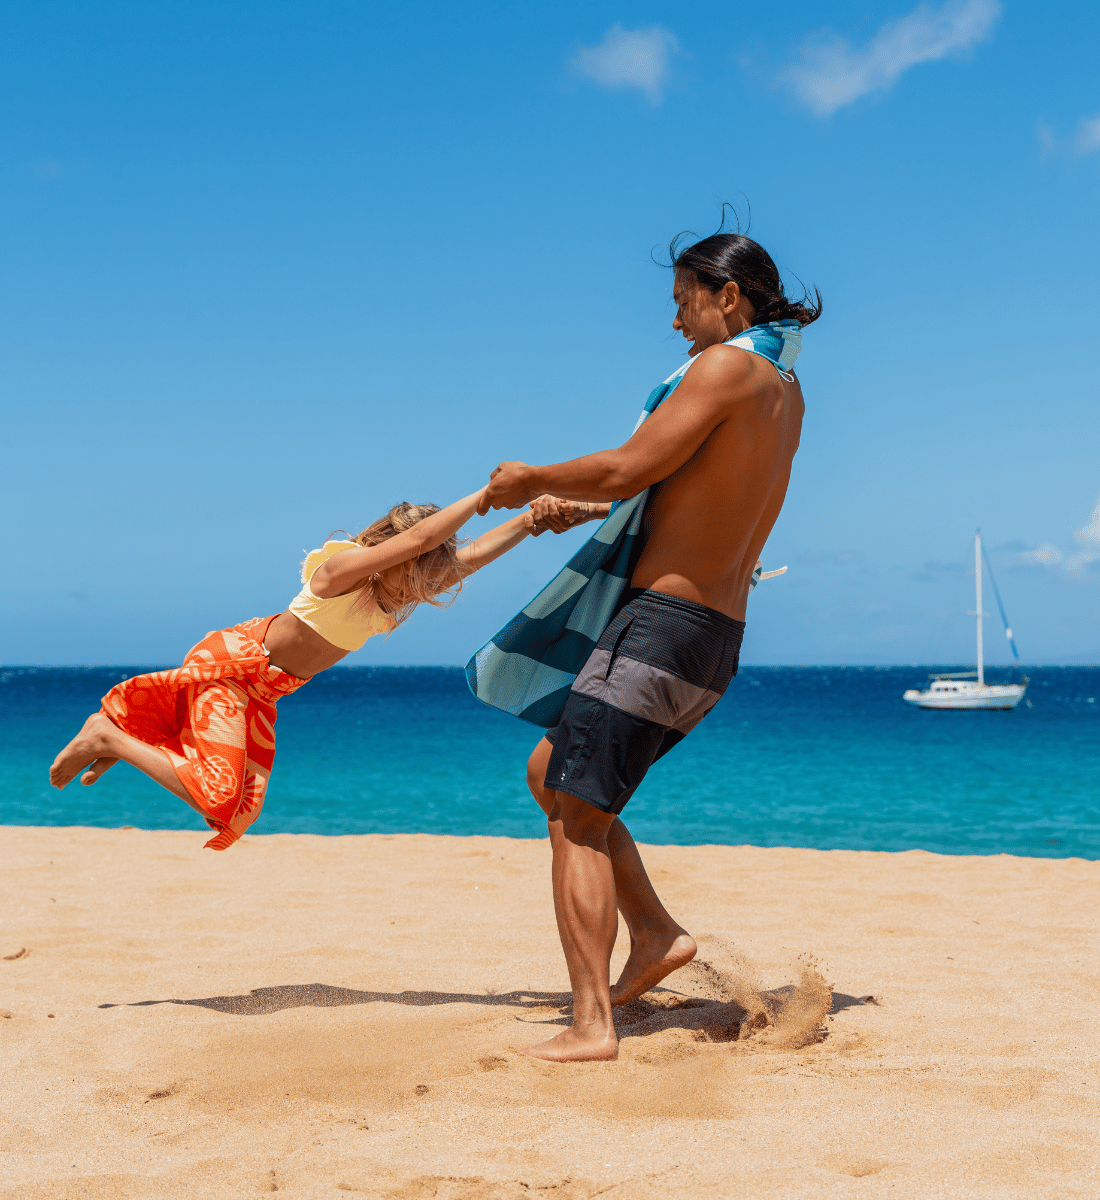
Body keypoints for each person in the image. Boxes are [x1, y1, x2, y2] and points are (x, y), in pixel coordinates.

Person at [478, 230, 821, 1061]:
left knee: (581, 818)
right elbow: (688, 493)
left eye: (682, 303)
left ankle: (593, 1024)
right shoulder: (785, 388)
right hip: (715, 638)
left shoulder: (724, 369)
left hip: (661, 629)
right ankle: (657, 935)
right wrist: (588, 504)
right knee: (550, 774)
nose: (676, 323)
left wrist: (535, 480)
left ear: (726, 296)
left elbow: (633, 466)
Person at [49, 490, 578, 849]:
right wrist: (484, 498)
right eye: (419, 566)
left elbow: (476, 553)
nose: (426, 582)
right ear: (394, 553)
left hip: (264, 692)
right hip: (235, 669)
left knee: (238, 812)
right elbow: (415, 542)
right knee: (215, 792)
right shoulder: (339, 573)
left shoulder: (393, 597)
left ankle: (117, 743)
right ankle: (108, 739)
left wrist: (531, 521)